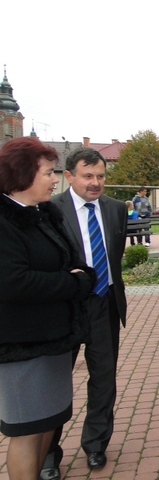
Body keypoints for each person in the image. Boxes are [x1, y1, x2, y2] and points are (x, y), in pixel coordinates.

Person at [0, 137, 95, 480]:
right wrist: (73, 283)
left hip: (54, 340)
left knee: (47, 423)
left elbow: (71, 260)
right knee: (26, 430)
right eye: (47, 173)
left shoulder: (42, 214)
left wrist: (81, 275)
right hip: (23, 346)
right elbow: (14, 283)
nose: (55, 179)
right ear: (21, 174)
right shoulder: (5, 221)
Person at [44, 147, 128, 474]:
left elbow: (114, 256)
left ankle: (95, 444)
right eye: (88, 176)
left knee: (104, 379)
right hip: (65, 308)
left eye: (101, 176)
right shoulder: (49, 210)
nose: (95, 182)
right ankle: (48, 453)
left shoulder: (116, 209)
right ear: (69, 176)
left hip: (105, 303)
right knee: (55, 382)